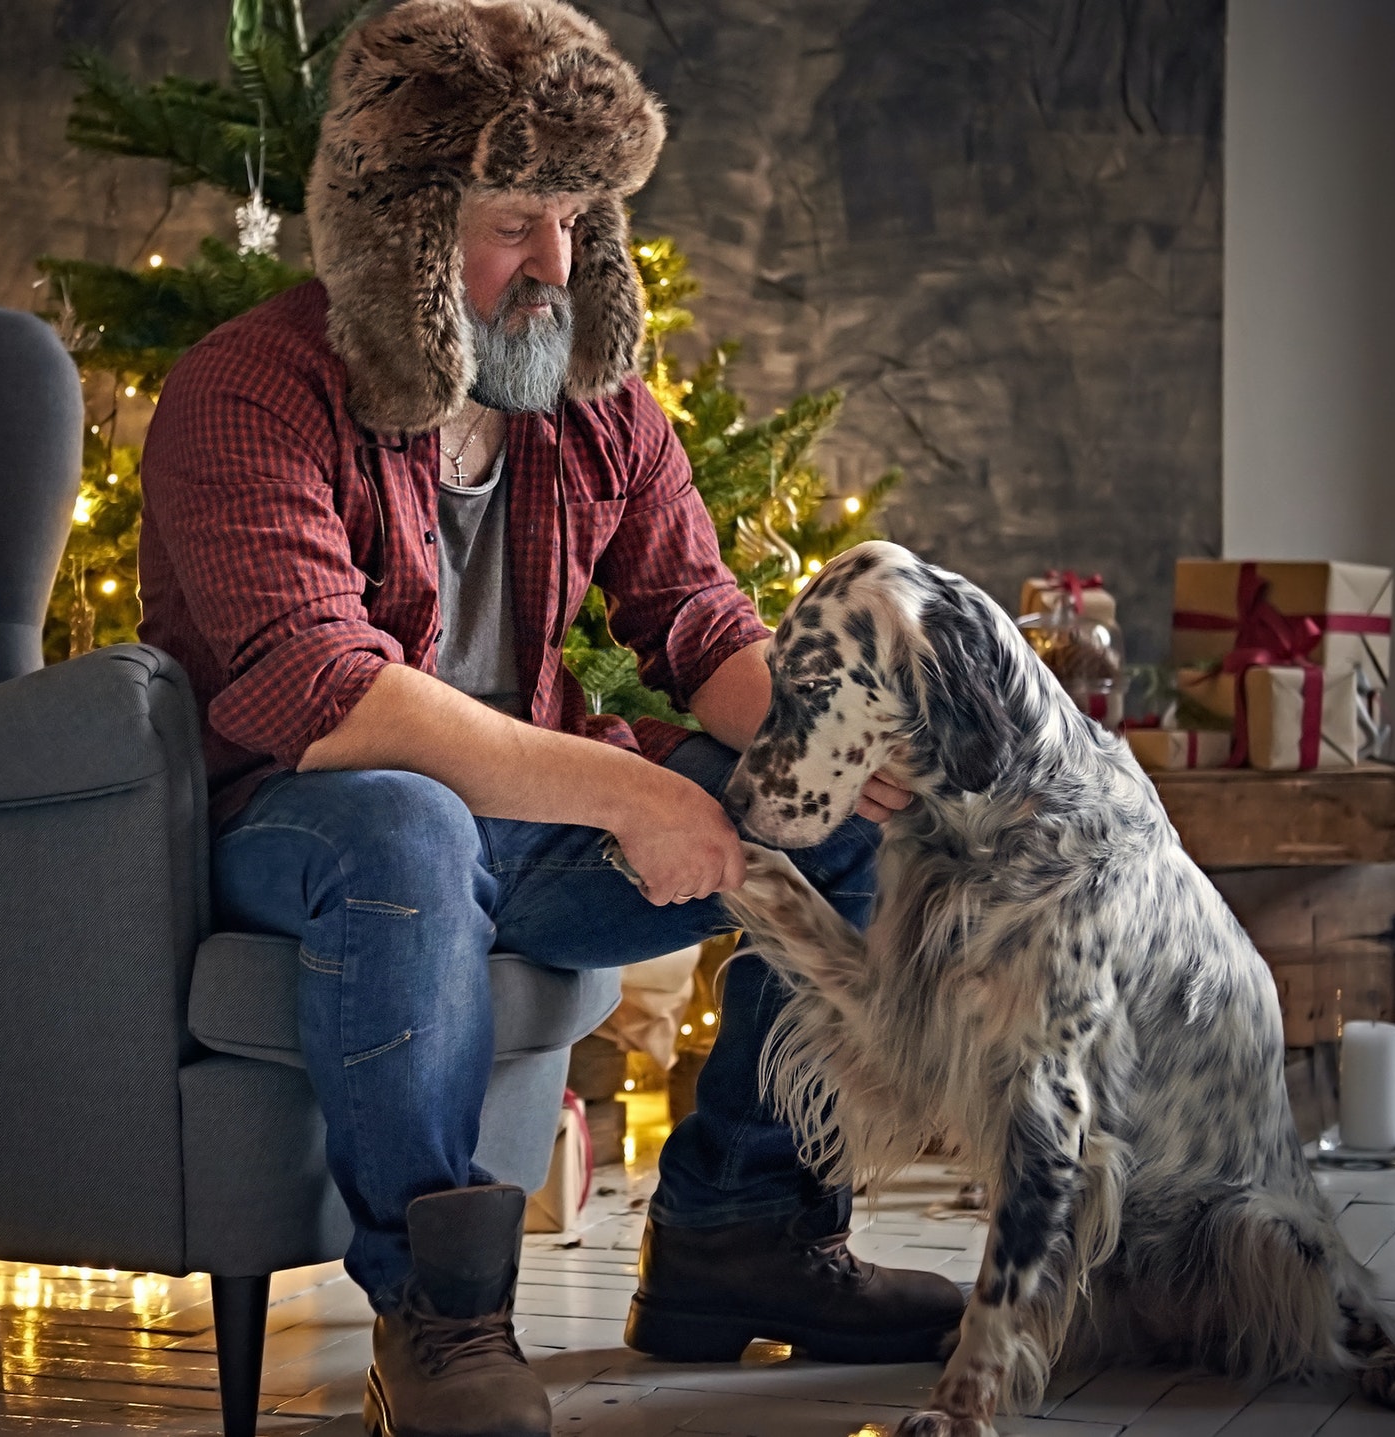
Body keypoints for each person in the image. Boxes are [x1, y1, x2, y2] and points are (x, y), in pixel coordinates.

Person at [136, 3, 964, 1434]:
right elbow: (324, 696)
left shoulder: (589, 402)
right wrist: (627, 793)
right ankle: (439, 1314)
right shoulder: (246, 389)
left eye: (579, 218)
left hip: (520, 831)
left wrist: (834, 747)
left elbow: (697, 618)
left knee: (836, 807)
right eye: (517, 219)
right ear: (399, 225)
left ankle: (740, 1230)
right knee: (405, 821)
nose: (557, 267)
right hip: (298, 823)